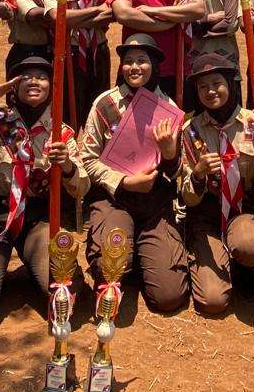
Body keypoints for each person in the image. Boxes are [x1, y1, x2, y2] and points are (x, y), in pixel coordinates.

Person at [0, 56, 89, 331]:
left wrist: (68, 166)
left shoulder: (60, 132)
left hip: (38, 219)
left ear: (51, 87)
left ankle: (38, 262)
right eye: (25, 77)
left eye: (42, 77)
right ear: (12, 86)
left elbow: (81, 187)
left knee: (63, 301)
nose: (34, 82)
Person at [78, 34, 190, 313]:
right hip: (113, 200)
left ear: (155, 66)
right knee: (110, 265)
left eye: (142, 61)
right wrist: (124, 182)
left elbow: (177, 173)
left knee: (169, 296)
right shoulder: (105, 104)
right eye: (128, 61)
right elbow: (87, 160)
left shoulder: (170, 111)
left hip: (155, 206)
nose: (134, 67)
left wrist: (169, 154)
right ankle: (126, 255)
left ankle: (145, 253)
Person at [178, 52, 254, 316]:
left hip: (242, 212)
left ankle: (247, 267)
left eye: (216, 83)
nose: (210, 91)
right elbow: (188, 197)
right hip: (207, 216)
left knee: (249, 244)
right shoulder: (190, 130)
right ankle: (208, 257)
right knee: (212, 301)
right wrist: (198, 175)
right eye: (202, 87)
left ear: (231, 84)